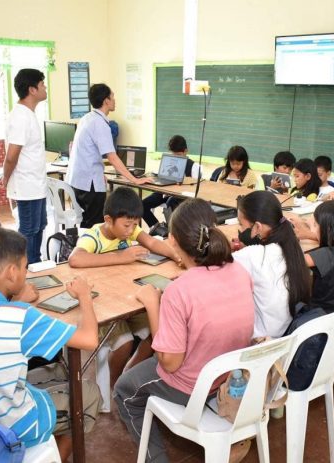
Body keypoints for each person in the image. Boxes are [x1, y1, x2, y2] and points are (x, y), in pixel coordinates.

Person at [0, 227, 100, 461]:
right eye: (24, 267)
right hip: (9, 427)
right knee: (89, 393)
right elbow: (89, 339)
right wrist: (84, 295)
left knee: (56, 371)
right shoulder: (20, 317)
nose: (25, 273)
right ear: (12, 272)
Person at [114, 198, 254, 463]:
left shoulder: (179, 291)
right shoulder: (239, 270)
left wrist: (154, 304)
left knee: (124, 390)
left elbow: (169, 362)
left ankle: (157, 459)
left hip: (192, 385)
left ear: (173, 241)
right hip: (230, 375)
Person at [68, 186, 180, 387]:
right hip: (104, 305)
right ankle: (113, 382)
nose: (131, 231)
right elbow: (75, 259)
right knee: (125, 342)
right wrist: (121, 256)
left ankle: (128, 374)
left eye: (134, 225)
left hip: (127, 299)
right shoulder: (93, 236)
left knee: (157, 332)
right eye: (127, 225)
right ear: (109, 220)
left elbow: (153, 244)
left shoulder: (130, 230)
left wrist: (176, 255)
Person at [65, 83, 152, 228]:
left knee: (88, 222)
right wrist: (134, 180)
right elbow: (112, 157)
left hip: (78, 180)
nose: (114, 100)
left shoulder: (87, 118)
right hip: (89, 185)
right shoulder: (100, 124)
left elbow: (81, 149)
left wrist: (98, 172)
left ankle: (84, 249)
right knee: (94, 226)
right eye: (112, 96)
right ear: (106, 100)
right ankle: (89, 250)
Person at [234, 191, 311, 338]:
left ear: (257, 227)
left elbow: (216, 264)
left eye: (241, 224)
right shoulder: (292, 246)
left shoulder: (253, 255)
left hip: (260, 342)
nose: (240, 230)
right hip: (286, 336)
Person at [3, 68, 49, 264]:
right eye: (42, 84)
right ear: (32, 89)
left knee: (39, 226)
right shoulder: (21, 116)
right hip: (26, 185)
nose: (45, 88)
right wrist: (6, 176)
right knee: (29, 229)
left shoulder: (28, 114)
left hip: (36, 184)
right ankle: (26, 268)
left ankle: (36, 263)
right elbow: (12, 155)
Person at [142, 135, 200, 228]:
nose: (176, 158)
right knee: (142, 205)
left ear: (186, 151)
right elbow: (162, 175)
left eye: (179, 155)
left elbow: (196, 190)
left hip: (182, 197)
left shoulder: (194, 166)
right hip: (165, 192)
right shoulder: (168, 161)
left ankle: (172, 230)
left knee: (170, 202)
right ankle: (158, 229)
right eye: (173, 155)